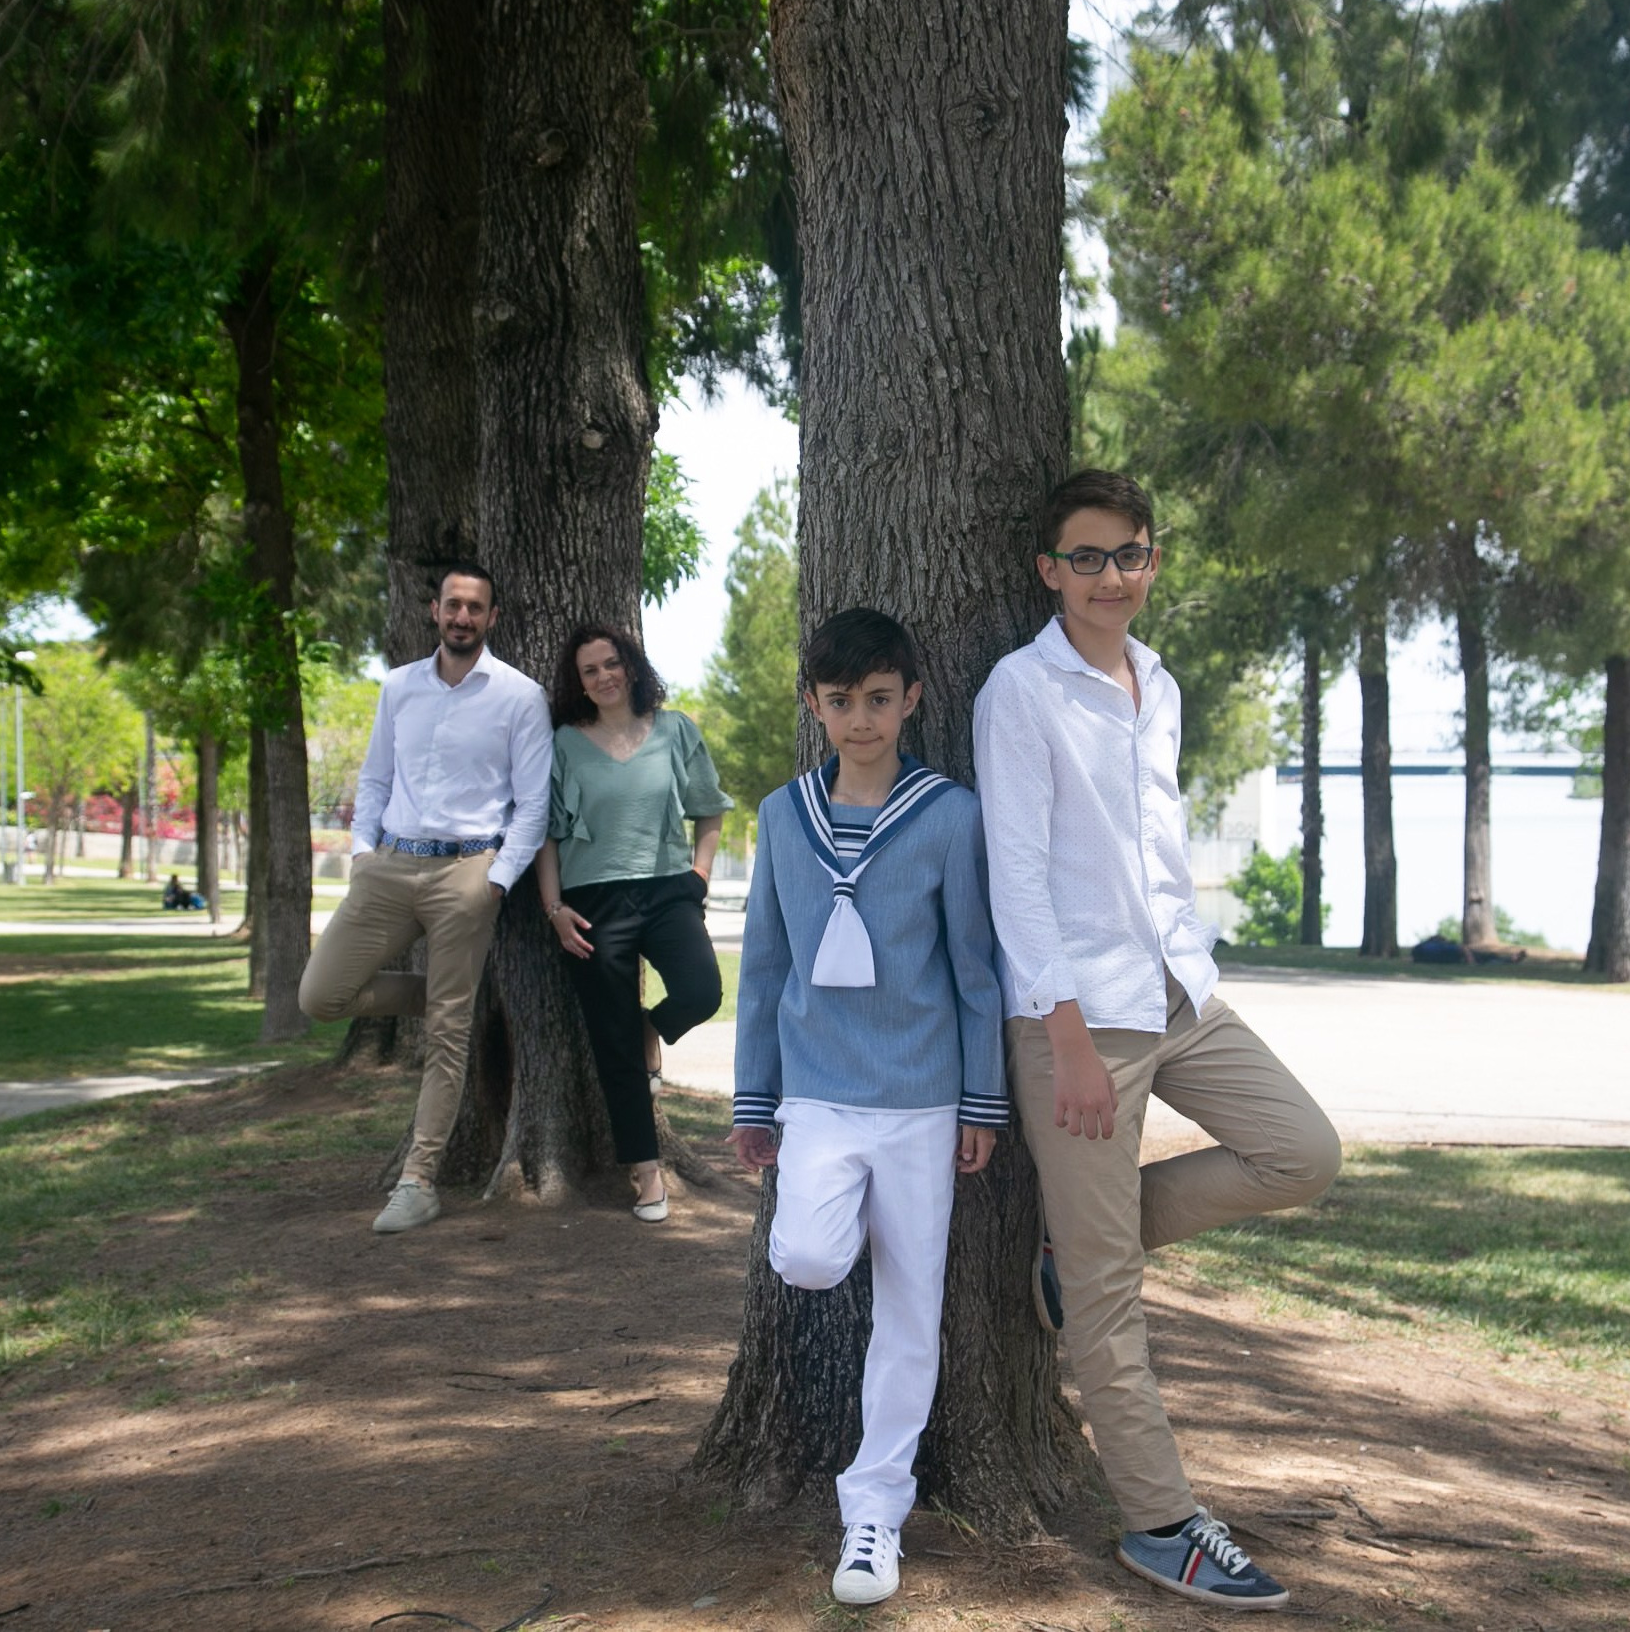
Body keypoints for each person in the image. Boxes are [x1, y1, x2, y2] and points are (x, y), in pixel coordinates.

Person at [973, 470, 1343, 1612]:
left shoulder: (1158, 683)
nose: (1108, 578)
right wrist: (1068, 1042)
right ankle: (1158, 1523)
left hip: (1180, 989)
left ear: (1151, 560)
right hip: (1077, 1015)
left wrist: (1188, 972)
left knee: (1302, 1152)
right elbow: (1019, 879)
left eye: (1127, 555)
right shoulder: (1018, 691)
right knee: (1108, 1301)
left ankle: (1070, 1263)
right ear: (1048, 571)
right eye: (1084, 559)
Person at [728, 608, 1009, 1609]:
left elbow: (975, 970)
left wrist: (982, 1101)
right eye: (840, 701)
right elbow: (762, 966)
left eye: (879, 700)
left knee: (909, 1311)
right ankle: (827, 1220)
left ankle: (873, 1509)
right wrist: (751, 1097)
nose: (861, 721)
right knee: (806, 1257)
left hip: (925, 1101)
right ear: (812, 704)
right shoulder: (778, 816)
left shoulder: (947, 817)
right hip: (817, 1098)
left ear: (911, 701)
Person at [299, 562, 552, 1234]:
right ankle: (450, 998)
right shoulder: (398, 687)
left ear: (492, 618)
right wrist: (361, 856)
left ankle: (419, 1180)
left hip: (466, 874)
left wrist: (495, 880)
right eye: (453, 605)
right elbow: (375, 777)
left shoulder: (519, 697)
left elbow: (534, 806)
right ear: (434, 610)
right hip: (389, 865)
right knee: (321, 995)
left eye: (476, 607)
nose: (463, 617)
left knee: (446, 1034)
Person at [534, 623, 730, 1224]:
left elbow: (709, 808)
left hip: (670, 893)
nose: (603, 677)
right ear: (580, 682)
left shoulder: (675, 730)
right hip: (592, 902)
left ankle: (656, 1029)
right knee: (613, 1044)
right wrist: (554, 909)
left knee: (702, 992)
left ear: (632, 666)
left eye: (611, 663)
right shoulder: (564, 744)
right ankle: (646, 1174)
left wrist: (698, 875)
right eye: (590, 670)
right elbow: (546, 834)